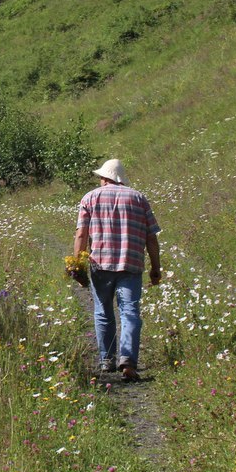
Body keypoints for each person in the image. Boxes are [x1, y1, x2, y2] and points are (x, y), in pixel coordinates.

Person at [73, 159, 161, 382]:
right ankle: (128, 360)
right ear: (120, 177)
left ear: (104, 178)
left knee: (103, 311)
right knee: (130, 312)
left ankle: (106, 359)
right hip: (131, 265)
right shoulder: (138, 198)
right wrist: (155, 267)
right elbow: (151, 237)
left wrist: (76, 264)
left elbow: (81, 234)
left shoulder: (90, 197)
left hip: (100, 264)